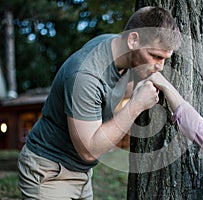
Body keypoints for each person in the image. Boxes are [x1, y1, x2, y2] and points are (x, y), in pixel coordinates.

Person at [18, 6, 182, 199]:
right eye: (155, 56)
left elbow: (120, 87)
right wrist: (136, 105)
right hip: (49, 171)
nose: (159, 66)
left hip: (82, 174)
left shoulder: (119, 50)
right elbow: (89, 151)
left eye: (165, 58)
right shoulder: (85, 75)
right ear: (133, 40)